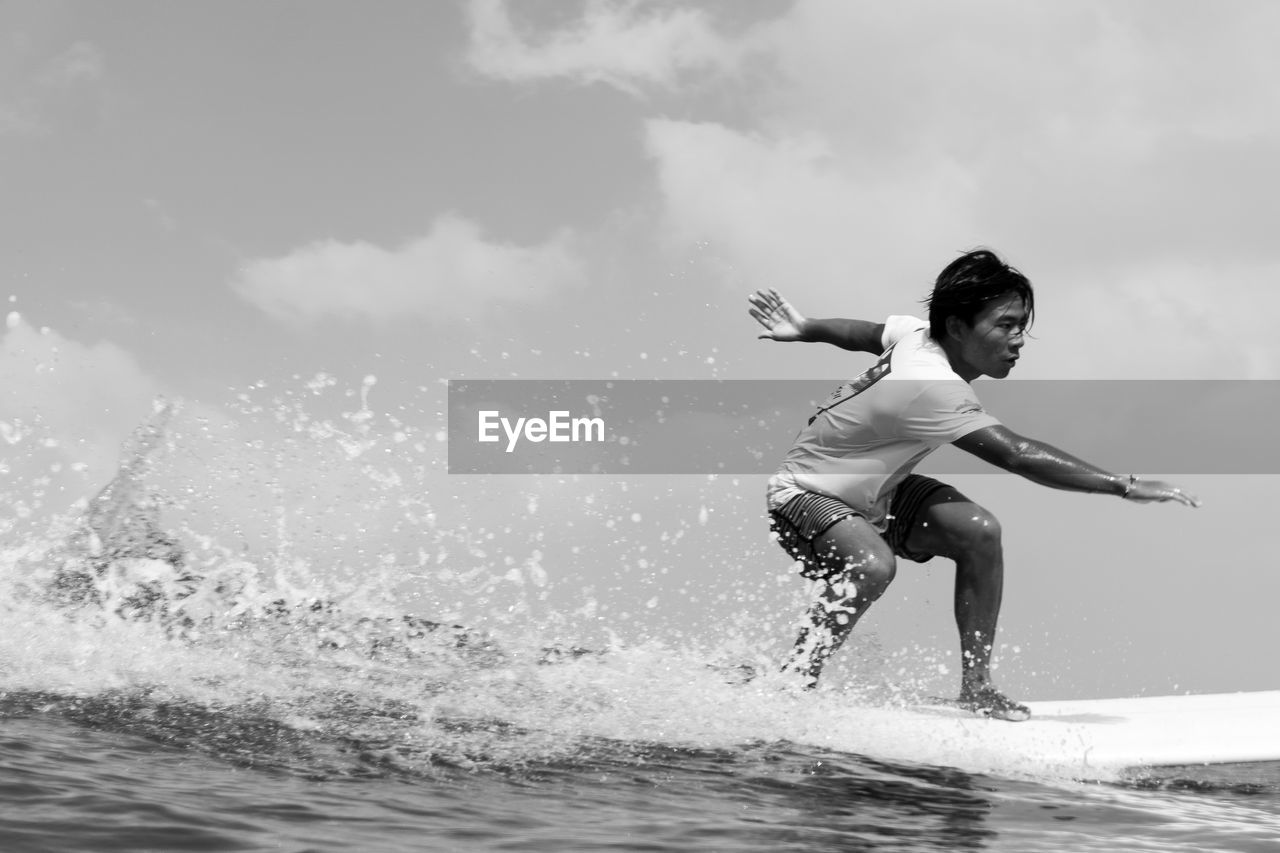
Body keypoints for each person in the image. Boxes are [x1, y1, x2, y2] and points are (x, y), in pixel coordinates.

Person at [747, 249, 1200, 721]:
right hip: (805, 495)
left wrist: (807, 328)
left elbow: (864, 333)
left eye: (1022, 324)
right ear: (958, 327)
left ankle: (978, 689)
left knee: (978, 531)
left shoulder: (916, 337)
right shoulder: (930, 385)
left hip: (880, 492)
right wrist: (1123, 486)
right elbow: (1015, 454)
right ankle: (794, 683)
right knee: (872, 565)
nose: (1019, 339)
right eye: (1005, 325)